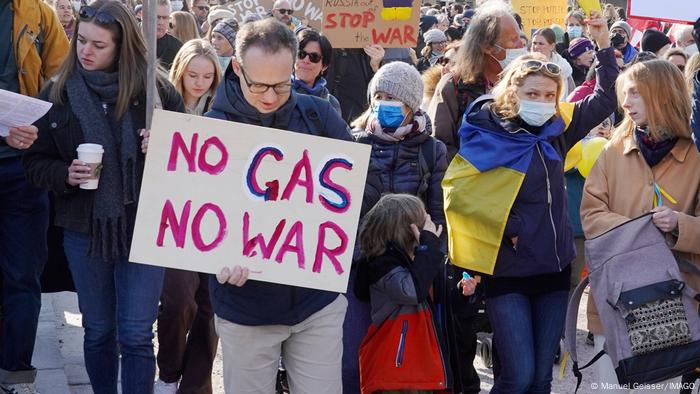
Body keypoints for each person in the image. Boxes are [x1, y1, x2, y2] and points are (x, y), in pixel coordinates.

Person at [443, 13, 617, 392]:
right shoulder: (487, 133)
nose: (541, 102)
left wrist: (603, 44)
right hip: (507, 271)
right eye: (532, 94)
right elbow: (460, 196)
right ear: (512, 94)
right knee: (517, 375)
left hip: (554, 272)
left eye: (548, 95)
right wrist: (511, 230)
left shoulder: (558, 130)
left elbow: (606, 98)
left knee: (541, 378)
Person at [22, 1, 185, 392]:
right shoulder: (58, 91)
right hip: (84, 229)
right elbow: (34, 162)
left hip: (145, 227)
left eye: (99, 45)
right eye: (82, 40)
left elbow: (193, 159)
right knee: (97, 330)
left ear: (122, 47)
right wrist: (65, 173)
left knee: (135, 335)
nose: (85, 51)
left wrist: (165, 144)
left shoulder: (156, 92)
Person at [204, 18, 352, 393]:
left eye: (282, 84)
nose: (270, 96)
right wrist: (216, 257)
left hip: (316, 303)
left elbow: (361, 191)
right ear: (236, 68)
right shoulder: (209, 134)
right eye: (258, 85)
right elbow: (195, 221)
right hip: (245, 308)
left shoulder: (320, 116)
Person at [581, 59, 700, 393]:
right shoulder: (613, 150)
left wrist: (679, 225)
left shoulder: (697, 155)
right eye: (624, 93)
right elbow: (591, 215)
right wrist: (642, 231)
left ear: (662, 94)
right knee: (611, 387)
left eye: (635, 93)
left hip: (675, 304)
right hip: (616, 300)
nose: (625, 103)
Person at [0, 0, 68, 393]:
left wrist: (41, 123)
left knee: (24, 276)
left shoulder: (39, 14)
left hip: (24, 168)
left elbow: (61, 80)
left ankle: (12, 372)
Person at [353, 194, 476, 393]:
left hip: (424, 365)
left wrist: (463, 294)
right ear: (406, 230)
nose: (427, 225)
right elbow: (411, 291)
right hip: (396, 368)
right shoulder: (381, 263)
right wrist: (428, 248)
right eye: (422, 221)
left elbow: (439, 305)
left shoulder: (422, 261)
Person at [352, 61, 447, 226]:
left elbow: (437, 213)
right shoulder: (357, 142)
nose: (382, 103)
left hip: (409, 246)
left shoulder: (432, 150)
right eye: (378, 97)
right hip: (365, 245)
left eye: (390, 98)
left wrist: (431, 247)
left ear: (410, 105)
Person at [429, 1, 525, 161]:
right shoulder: (454, 86)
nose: (521, 45)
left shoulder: (523, 82)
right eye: (513, 39)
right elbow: (440, 145)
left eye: (520, 37)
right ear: (487, 47)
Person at [292, 28, 341, 115]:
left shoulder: (331, 103)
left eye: (314, 57)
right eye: (301, 54)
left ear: (324, 66)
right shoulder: (277, 93)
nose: (306, 60)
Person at [531, 28, 574, 97]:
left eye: (541, 44)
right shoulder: (524, 63)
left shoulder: (563, 66)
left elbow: (572, 93)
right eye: (534, 43)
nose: (536, 47)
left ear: (552, 46)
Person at [157, 0, 184, 70]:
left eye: (165, 18)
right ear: (143, 15)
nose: (161, 22)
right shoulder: (130, 39)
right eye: (157, 17)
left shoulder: (177, 47)